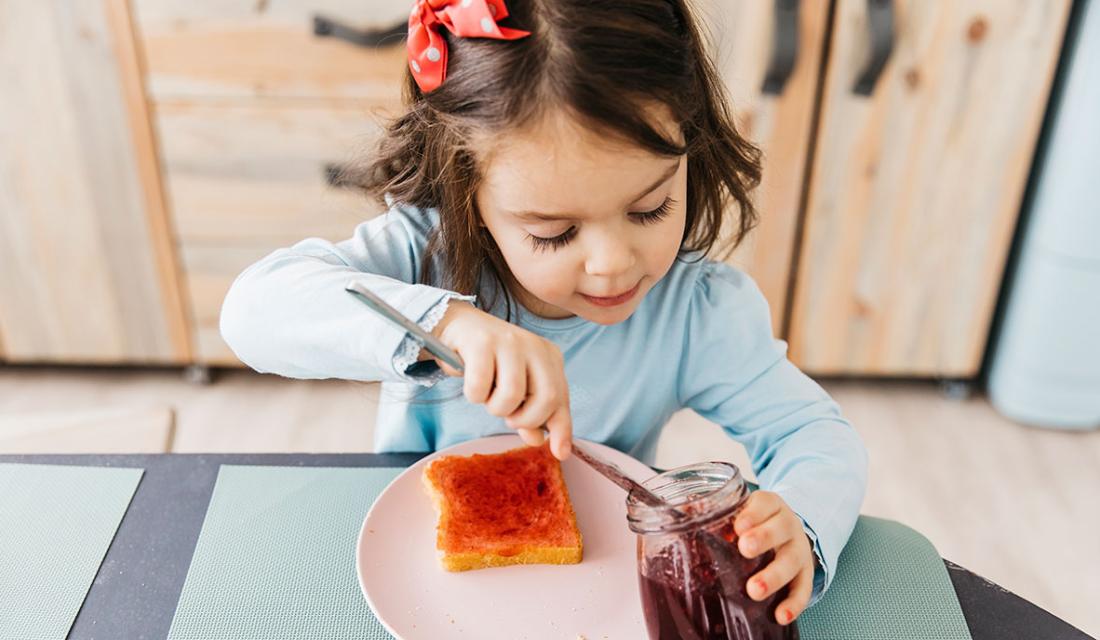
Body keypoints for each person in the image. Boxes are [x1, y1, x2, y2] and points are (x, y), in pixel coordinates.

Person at [220, 0, 867, 624]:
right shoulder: (424, 254)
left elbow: (816, 437)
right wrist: (446, 324)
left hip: (596, 590)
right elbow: (253, 310)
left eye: (650, 209)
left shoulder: (697, 311)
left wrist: (800, 527)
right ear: (467, 192)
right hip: (408, 574)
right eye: (555, 232)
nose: (613, 263)